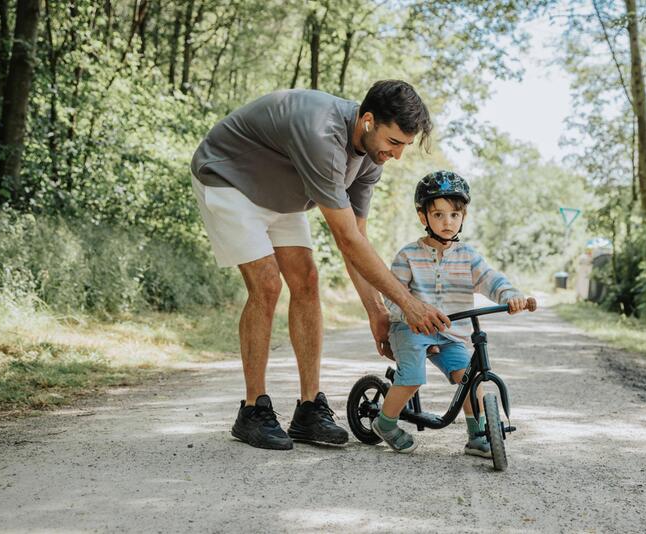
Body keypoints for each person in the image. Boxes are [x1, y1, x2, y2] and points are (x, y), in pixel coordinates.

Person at [190, 81, 451, 451]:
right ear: (368, 120)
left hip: (281, 192)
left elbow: (356, 242)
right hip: (228, 177)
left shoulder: (370, 159)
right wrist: (409, 304)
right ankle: (252, 410)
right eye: (394, 143)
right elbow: (346, 240)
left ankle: (309, 409)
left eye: (405, 146)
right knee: (267, 284)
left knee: (308, 281)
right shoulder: (321, 133)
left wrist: (376, 311)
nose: (397, 155)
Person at [372, 170, 532, 456]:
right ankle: (385, 423)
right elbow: (392, 295)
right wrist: (408, 315)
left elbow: (491, 279)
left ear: (463, 217)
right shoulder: (408, 255)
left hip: (451, 332)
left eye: (454, 215)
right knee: (412, 377)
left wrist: (510, 296)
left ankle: (478, 435)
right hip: (411, 328)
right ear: (423, 217)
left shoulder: (468, 256)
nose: (447, 222)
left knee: (469, 376)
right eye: (439, 215)